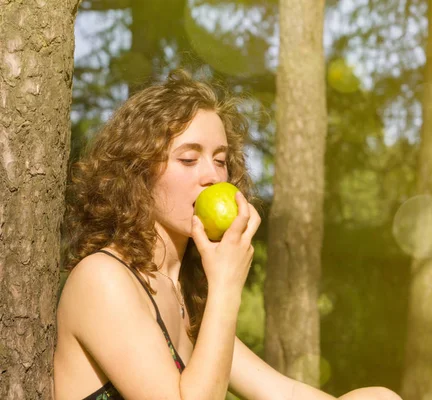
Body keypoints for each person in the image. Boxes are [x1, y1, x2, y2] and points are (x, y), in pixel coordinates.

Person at [53, 70, 402, 400]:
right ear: (136, 173)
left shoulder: (186, 294)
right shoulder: (103, 278)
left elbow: (286, 394)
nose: (212, 176)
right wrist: (226, 285)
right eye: (188, 159)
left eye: (220, 161)